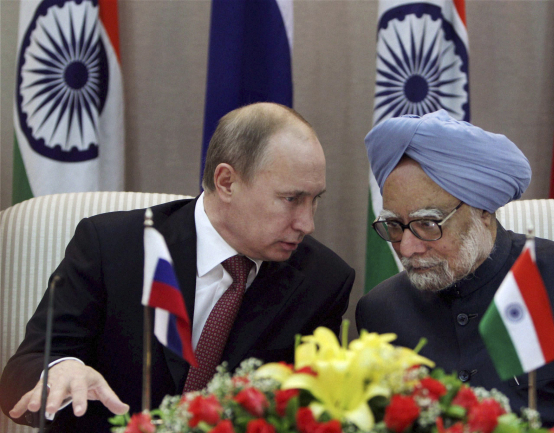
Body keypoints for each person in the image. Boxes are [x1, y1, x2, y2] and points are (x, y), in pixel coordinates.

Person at [0, 103, 355, 432]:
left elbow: (307, 413)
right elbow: (22, 371)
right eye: (291, 199)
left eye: (315, 200)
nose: (307, 224)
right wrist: (59, 371)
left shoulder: (323, 281)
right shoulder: (111, 245)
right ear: (226, 182)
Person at [356, 110, 554, 433]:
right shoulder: (379, 312)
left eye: (428, 224)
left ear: (482, 210)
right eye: (395, 226)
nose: (407, 248)